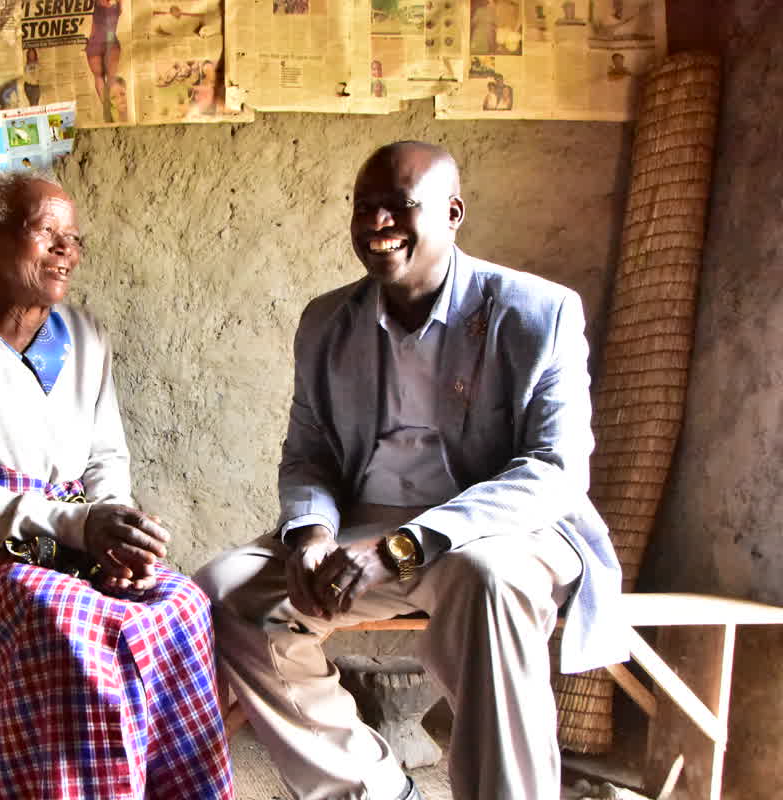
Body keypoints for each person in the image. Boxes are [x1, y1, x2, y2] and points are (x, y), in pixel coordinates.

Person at [195, 141, 627, 800]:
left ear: (453, 214)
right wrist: (311, 534)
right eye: (364, 207)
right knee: (227, 591)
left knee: (488, 582)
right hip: (363, 530)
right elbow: (310, 453)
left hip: (495, 532)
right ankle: (373, 789)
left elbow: (554, 471)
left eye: (399, 206)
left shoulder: (536, 312)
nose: (377, 224)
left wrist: (401, 547)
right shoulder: (326, 322)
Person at [0, 173, 234, 799]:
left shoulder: (85, 335)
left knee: (182, 605)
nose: (65, 250)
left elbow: (105, 458)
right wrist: (76, 525)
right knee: (61, 624)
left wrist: (117, 537)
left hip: (77, 539)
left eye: (73, 238)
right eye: (44, 232)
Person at [85, 0, 122, 122]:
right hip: (109, 40)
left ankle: (108, 108)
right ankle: (111, 110)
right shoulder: (118, 5)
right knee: (108, 77)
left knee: (100, 77)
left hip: (97, 41)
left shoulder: (99, 3)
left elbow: (93, 26)